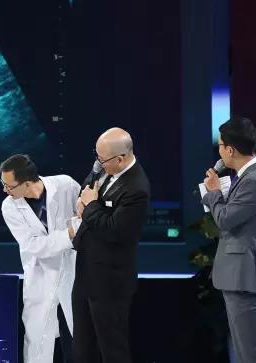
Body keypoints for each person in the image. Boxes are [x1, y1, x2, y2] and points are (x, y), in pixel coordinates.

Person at [71, 127, 150, 363]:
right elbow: (89, 187)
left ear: (121, 159)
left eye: (102, 159)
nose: (98, 164)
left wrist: (90, 207)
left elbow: (113, 230)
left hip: (110, 283)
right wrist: (83, 201)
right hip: (86, 274)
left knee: (112, 350)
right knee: (82, 349)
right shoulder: (104, 167)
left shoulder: (136, 189)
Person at [202, 117, 256, 363]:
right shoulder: (249, 177)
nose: (219, 152)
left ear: (230, 150)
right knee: (245, 354)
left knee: (254, 356)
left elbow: (225, 219)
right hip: (239, 278)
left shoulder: (255, 180)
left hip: (246, 278)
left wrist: (214, 193)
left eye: (220, 146)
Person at [0, 154, 80, 363]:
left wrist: (74, 231)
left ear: (27, 183)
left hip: (73, 269)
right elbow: (33, 245)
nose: (5, 190)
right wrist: (68, 234)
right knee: (37, 339)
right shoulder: (9, 206)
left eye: (9, 186)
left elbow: (84, 217)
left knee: (79, 334)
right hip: (40, 273)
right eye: (3, 184)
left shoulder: (65, 185)